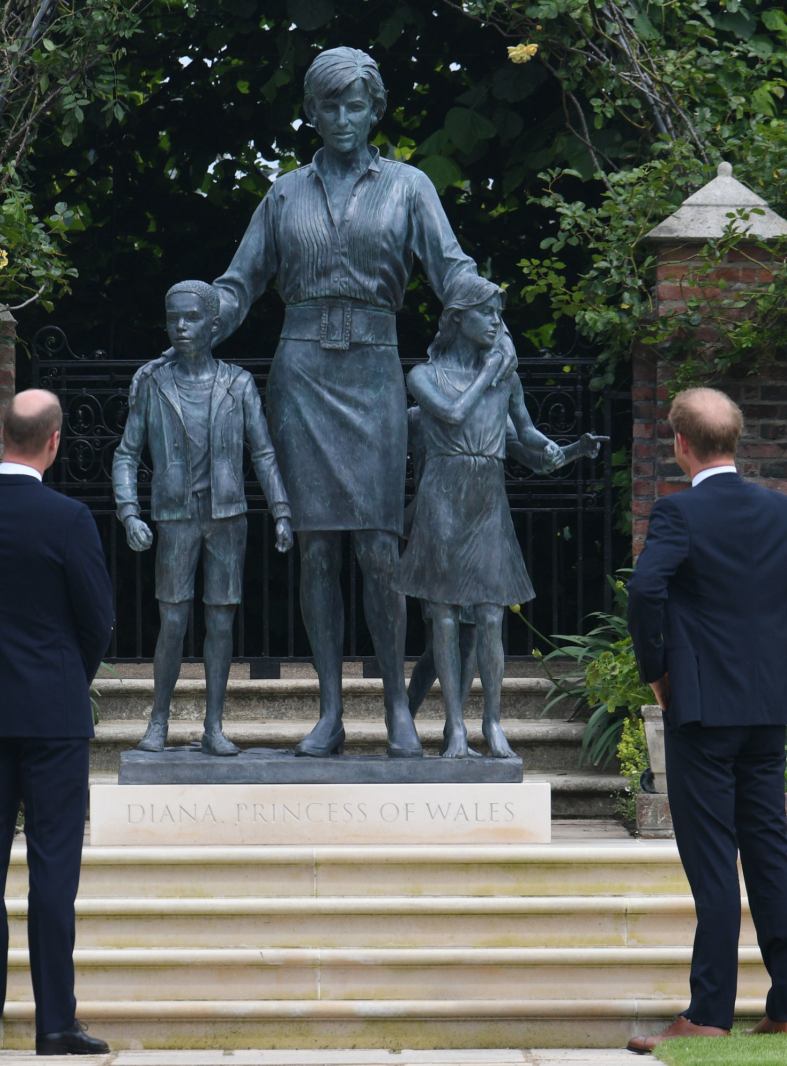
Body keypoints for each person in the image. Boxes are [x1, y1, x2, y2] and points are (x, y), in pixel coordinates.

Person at [201, 46, 500, 759]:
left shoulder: (408, 187)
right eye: (328, 105)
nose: (341, 117)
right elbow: (239, 283)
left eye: (355, 104)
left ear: (375, 110)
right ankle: (330, 710)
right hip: (301, 374)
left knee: (375, 546)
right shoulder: (283, 194)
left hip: (371, 370)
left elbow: (449, 267)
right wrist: (197, 316)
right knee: (315, 551)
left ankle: (396, 704)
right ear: (311, 111)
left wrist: (489, 314)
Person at [623, 387, 787, 1054]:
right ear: (736, 440)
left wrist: (658, 671)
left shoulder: (678, 513)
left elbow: (645, 589)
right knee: (767, 852)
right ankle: (786, 1007)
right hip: (766, 710)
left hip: (701, 710)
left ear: (681, 445)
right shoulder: (781, 510)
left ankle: (706, 1013)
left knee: (712, 862)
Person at [0, 389, 116, 1056]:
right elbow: (97, 618)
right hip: (52, 710)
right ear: (53, 441)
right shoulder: (68, 518)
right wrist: (68, 671)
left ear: (0, 435)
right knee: (53, 868)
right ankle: (55, 1023)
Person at [396, 277, 603, 757]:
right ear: (457, 319)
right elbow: (450, 414)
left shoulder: (505, 377)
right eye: (486, 313)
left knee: (490, 615)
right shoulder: (424, 375)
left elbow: (529, 438)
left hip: (487, 497)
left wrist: (570, 450)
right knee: (444, 616)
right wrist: (490, 372)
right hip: (442, 496)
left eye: (498, 314)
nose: (495, 322)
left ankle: (492, 722)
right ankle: (454, 728)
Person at [112, 280, 294, 756]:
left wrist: (281, 511)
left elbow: (264, 452)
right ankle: (159, 720)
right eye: (174, 318)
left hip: (228, 517)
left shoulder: (237, 384)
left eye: (191, 318)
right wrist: (129, 512)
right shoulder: (153, 383)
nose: (181, 327)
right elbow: (126, 455)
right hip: (175, 517)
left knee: (220, 623)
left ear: (214, 325)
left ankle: (214, 726)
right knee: (172, 622)